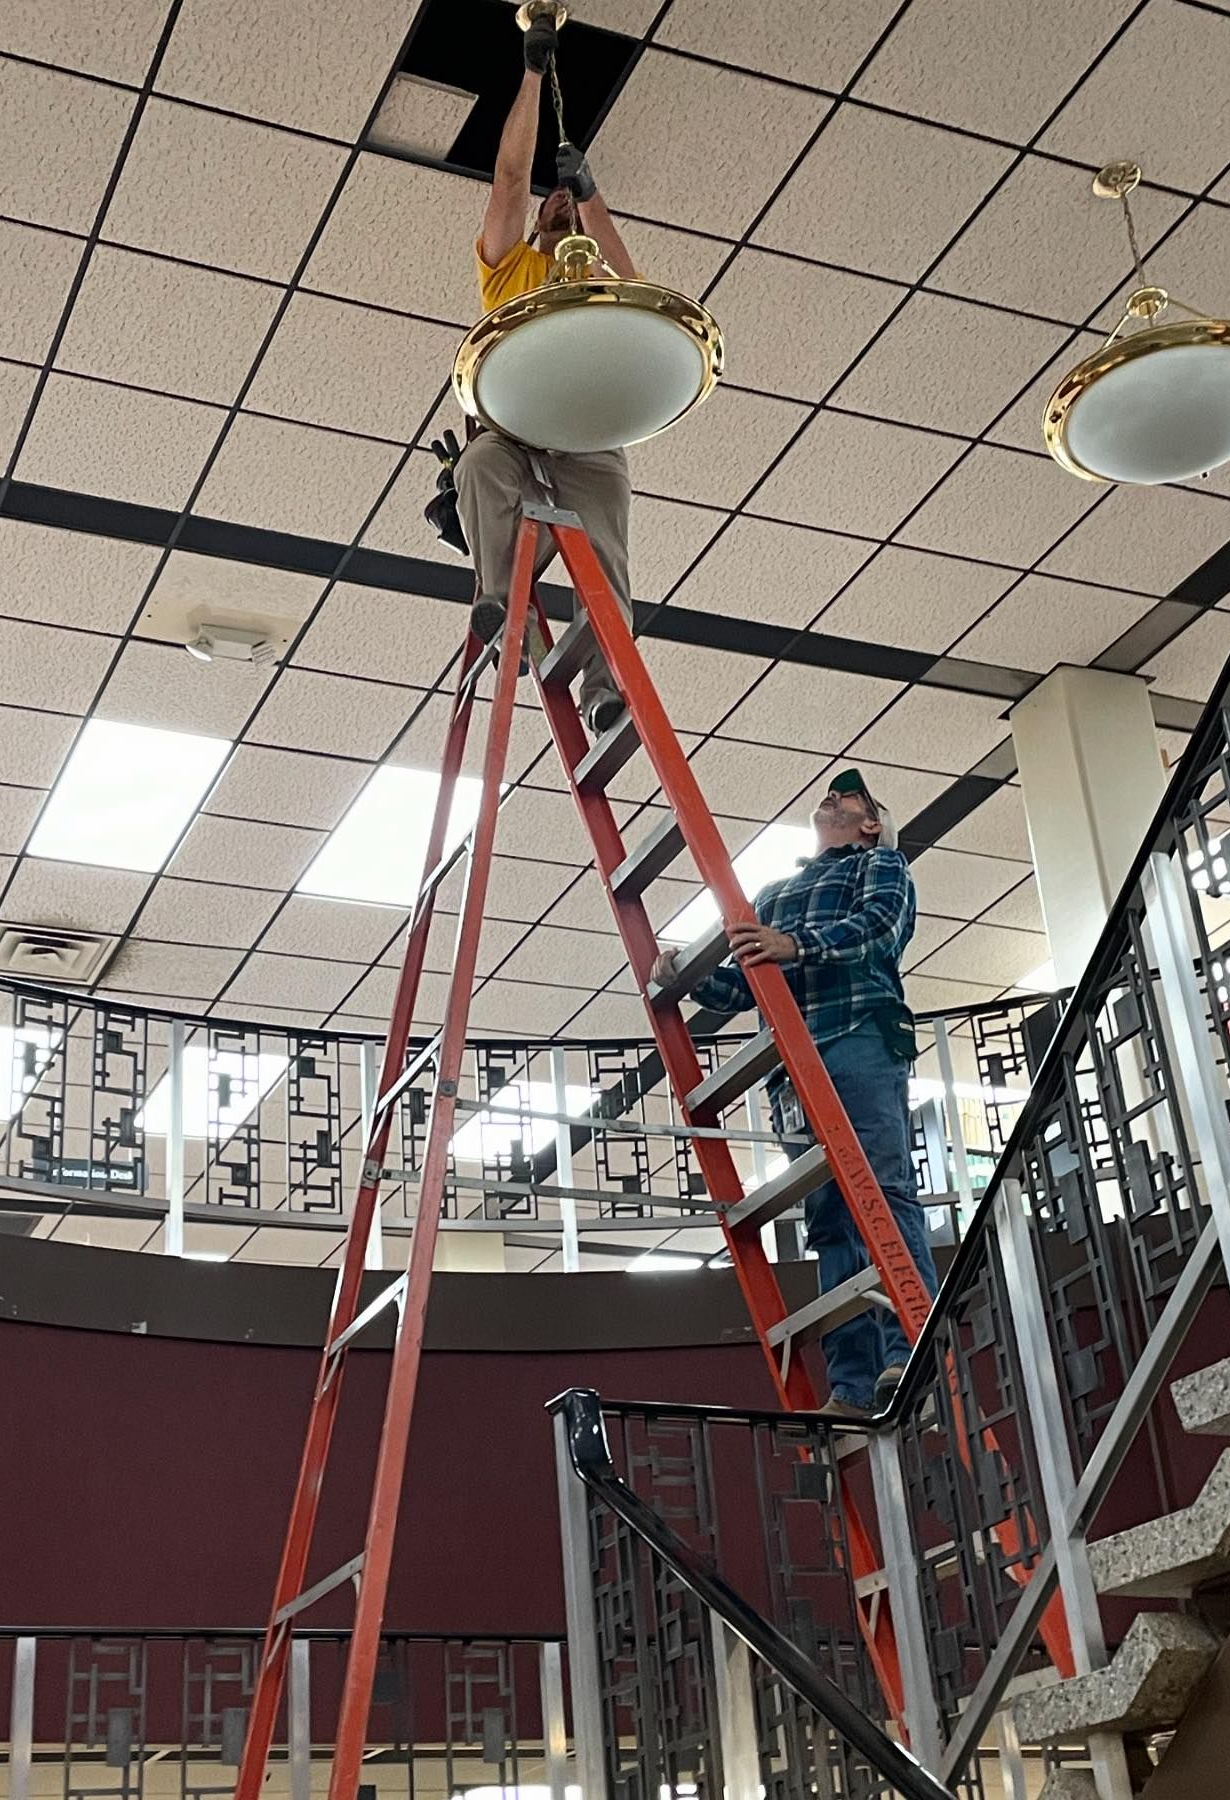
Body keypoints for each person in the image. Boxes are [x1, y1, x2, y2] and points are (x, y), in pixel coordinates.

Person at [650, 770, 939, 1419]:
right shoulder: (774, 894)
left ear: (871, 825)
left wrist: (793, 945)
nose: (832, 798)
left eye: (850, 798)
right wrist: (689, 978)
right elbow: (747, 984)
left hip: (856, 1034)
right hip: (793, 1063)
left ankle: (907, 1349)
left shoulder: (880, 865)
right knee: (831, 1220)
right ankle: (853, 1385)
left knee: (881, 1190)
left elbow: (878, 929)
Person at [454, 8, 638, 737]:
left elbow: (640, 288)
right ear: (535, 224)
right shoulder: (512, 271)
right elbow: (508, 179)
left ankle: (605, 688)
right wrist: (533, 73)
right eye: (552, 203)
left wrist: (590, 196)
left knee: (607, 560)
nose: (558, 204)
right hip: (517, 430)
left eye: (569, 207)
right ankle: (504, 602)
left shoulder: (597, 279)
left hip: (587, 438)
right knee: (478, 468)